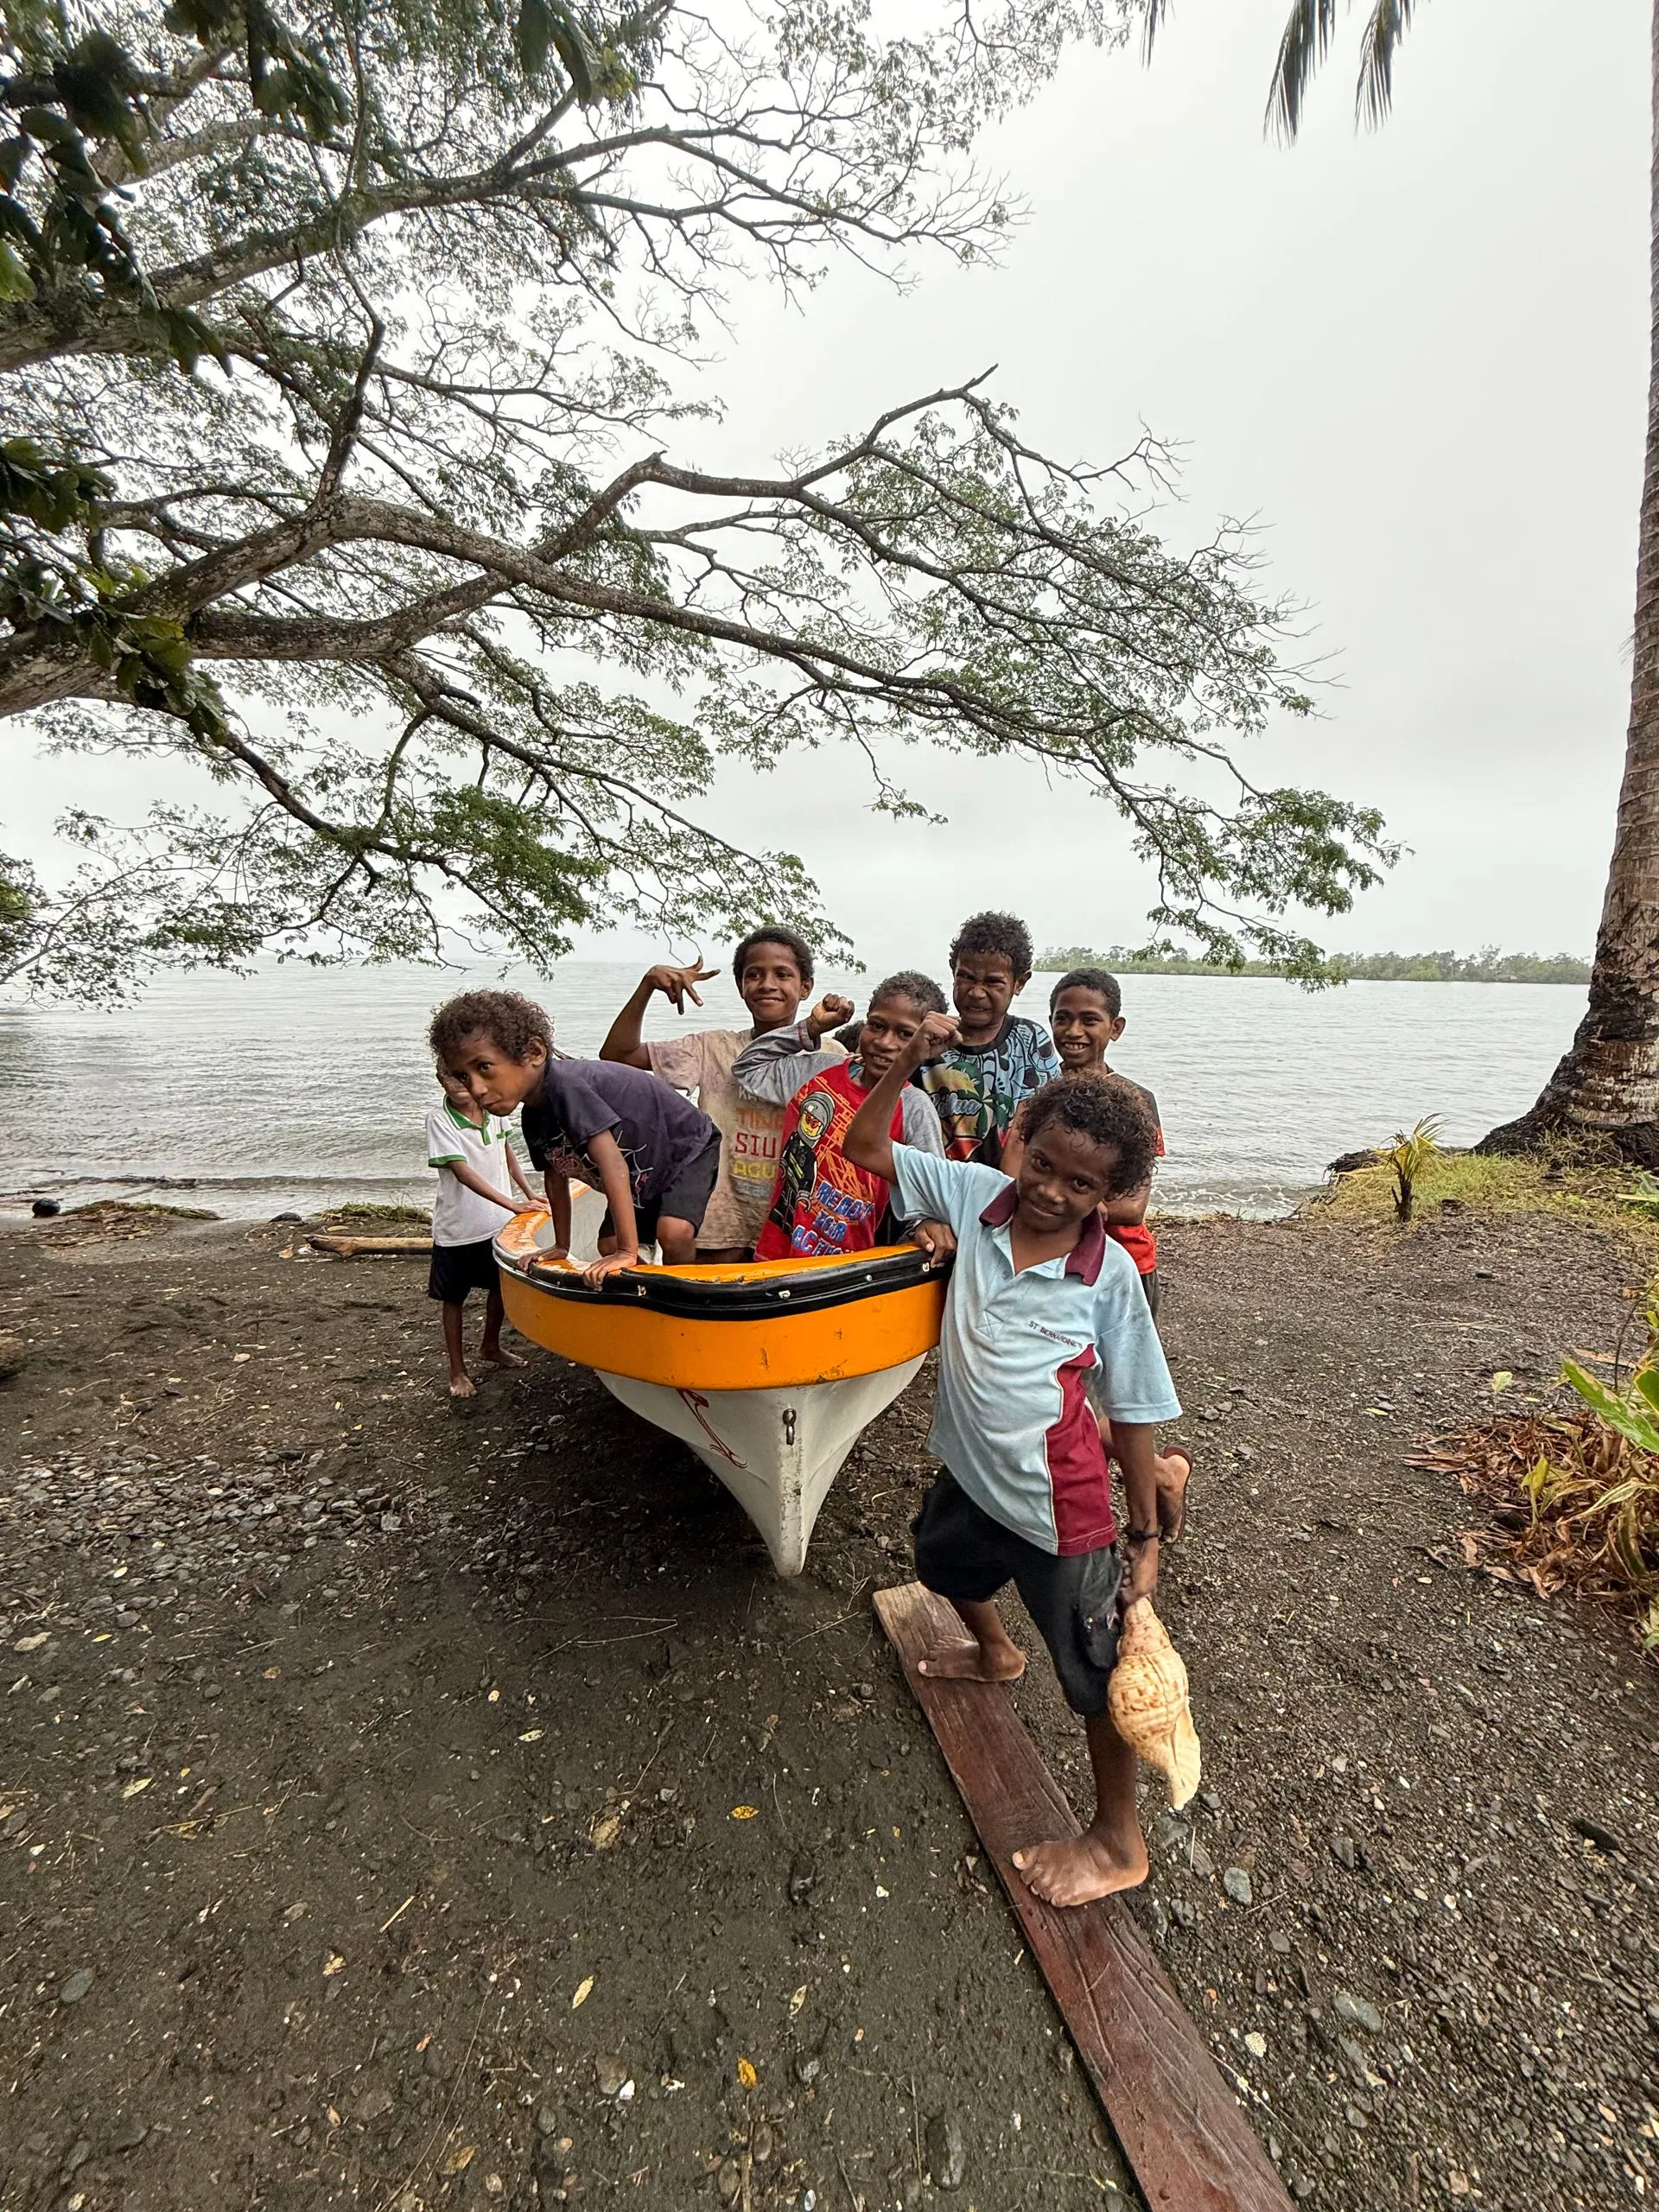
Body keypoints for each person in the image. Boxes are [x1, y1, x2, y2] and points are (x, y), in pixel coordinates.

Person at [845, 1029, 1180, 1909]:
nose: (1052, 1191)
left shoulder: (1108, 1276)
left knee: (1097, 1675)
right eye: (1044, 1165)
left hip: (1058, 1504)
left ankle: (1118, 1842)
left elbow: (1134, 1409)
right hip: (971, 1469)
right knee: (938, 1564)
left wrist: (1144, 1536)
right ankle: (995, 1653)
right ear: (1021, 1142)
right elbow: (865, 1146)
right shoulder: (974, 1195)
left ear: (1111, 1195)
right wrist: (907, 1058)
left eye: (1082, 1185)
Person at [1000, 967, 1191, 1538]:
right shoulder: (1038, 1101)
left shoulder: (1135, 1101)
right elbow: (1011, 1183)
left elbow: (1131, 1206)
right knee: (1064, 1397)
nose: (1074, 1030)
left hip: (1121, 1268)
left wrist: (1054, 1201)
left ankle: (1136, 1505)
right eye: (1063, 1018)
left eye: (1090, 1019)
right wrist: (1069, 1198)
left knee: (1118, 1402)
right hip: (1052, 1267)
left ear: (1116, 1027)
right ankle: (1153, 1480)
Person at [429, 989, 721, 1286]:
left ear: (534, 1053)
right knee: (607, 1245)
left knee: (673, 1232)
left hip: (686, 1146)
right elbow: (555, 1177)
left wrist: (626, 1251)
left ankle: (687, 1289)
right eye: (463, 1076)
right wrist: (561, 1246)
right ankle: (648, 1288)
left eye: (484, 1067)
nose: (476, 1089)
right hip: (644, 1163)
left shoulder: (567, 1088)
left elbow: (613, 1166)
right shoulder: (533, 1115)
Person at [598, 928, 839, 1259]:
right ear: (740, 986)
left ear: (806, 987)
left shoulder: (830, 1057)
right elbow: (618, 1054)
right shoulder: (712, 1048)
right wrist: (648, 985)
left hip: (793, 1224)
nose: (767, 984)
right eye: (754, 975)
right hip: (719, 1222)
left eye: (782, 975)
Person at [733, 973, 951, 1260]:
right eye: (877, 1026)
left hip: (847, 1267)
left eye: (905, 1035)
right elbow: (748, 1068)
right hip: (775, 1253)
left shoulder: (914, 1108)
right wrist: (810, 1028)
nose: (884, 1042)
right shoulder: (818, 1071)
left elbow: (930, 1190)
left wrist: (928, 1223)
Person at [915, 910, 1061, 1166]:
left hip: (1007, 1182)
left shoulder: (1031, 1041)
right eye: (966, 977)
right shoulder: (928, 1040)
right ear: (953, 972)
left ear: (1019, 983)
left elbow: (1040, 1130)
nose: (976, 992)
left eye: (993, 982)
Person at [425, 1064, 536, 1398]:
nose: (459, 1085)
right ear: (440, 1080)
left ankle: (490, 1346)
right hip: (458, 1228)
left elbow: (506, 1153)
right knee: (453, 1298)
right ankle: (457, 1370)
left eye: (463, 1077)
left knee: (500, 1287)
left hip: (497, 1224)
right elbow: (461, 1172)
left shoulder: (493, 1110)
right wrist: (512, 1204)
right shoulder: (440, 1120)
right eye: (450, 1077)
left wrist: (529, 1193)